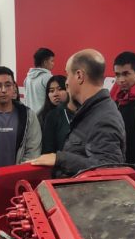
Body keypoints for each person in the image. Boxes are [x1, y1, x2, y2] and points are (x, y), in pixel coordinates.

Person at [31, 50, 125, 178]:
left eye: (67, 74)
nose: (66, 82)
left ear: (79, 76)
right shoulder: (91, 111)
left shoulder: (103, 117)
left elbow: (108, 168)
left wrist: (60, 159)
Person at [0, 66, 42, 167]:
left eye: (8, 85)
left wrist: (17, 172)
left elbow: (33, 151)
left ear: (14, 87)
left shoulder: (29, 115)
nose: (4, 90)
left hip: (20, 174)